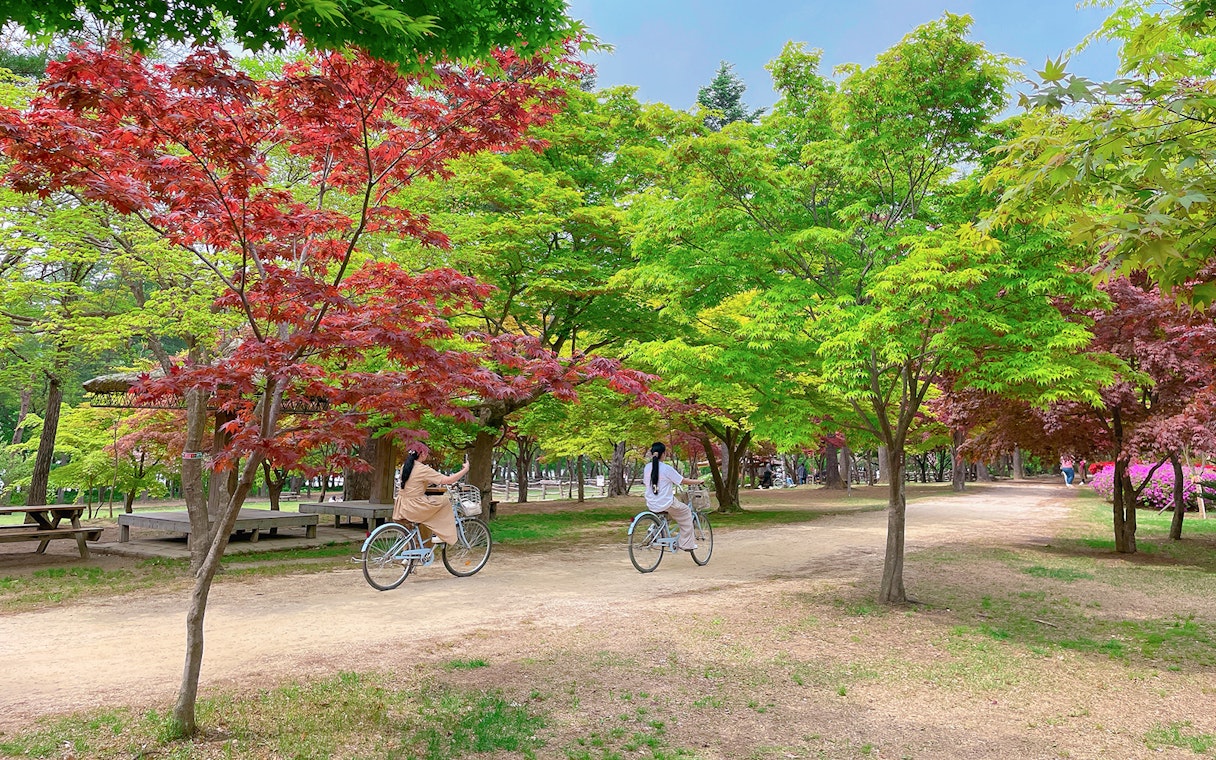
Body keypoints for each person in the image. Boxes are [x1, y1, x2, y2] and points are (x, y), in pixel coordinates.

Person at [393, 446, 470, 545]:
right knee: (445, 501)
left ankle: (409, 553)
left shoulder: (406, 466)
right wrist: (465, 470)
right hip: (414, 506)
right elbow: (449, 480)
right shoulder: (423, 469)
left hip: (402, 505)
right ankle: (442, 535)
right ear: (422, 454)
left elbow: (414, 482)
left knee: (416, 528)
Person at [641, 442, 704, 552]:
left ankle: (656, 530)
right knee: (686, 512)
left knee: (670, 513)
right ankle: (687, 544)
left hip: (651, 503)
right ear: (664, 454)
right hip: (666, 503)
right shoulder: (667, 469)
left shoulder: (647, 468)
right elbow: (683, 481)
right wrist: (698, 481)